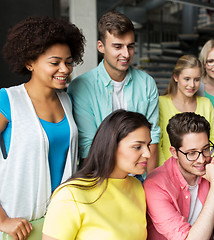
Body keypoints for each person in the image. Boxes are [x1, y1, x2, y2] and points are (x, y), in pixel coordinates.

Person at [0, 16, 85, 239]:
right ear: (30, 62)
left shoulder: (66, 101)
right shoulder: (8, 100)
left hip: (59, 222)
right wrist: (2, 220)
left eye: (68, 62)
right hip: (20, 226)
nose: (64, 69)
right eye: (54, 62)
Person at [67, 11, 160, 174]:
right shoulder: (81, 87)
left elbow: (153, 139)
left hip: (139, 177)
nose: (126, 54)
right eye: (118, 46)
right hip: (100, 177)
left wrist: (149, 186)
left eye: (130, 46)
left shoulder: (146, 83)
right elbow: (88, 148)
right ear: (100, 46)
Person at [42, 110, 150, 240]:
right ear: (111, 146)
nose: (148, 154)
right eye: (138, 147)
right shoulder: (70, 194)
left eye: (148, 145)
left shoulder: (137, 187)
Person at [144, 112, 214, 240]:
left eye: (206, 149)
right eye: (191, 153)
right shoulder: (155, 185)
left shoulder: (210, 171)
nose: (201, 159)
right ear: (174, 152)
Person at [158, 55, 214, 166]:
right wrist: (167, 171)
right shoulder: (160, 103)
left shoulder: (205, 104)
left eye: (196, 80)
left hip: (201, 169)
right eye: (187, 79)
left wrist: (203, 164)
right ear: (176, 77)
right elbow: (158, 144)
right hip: (169, 172)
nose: (192, 85)